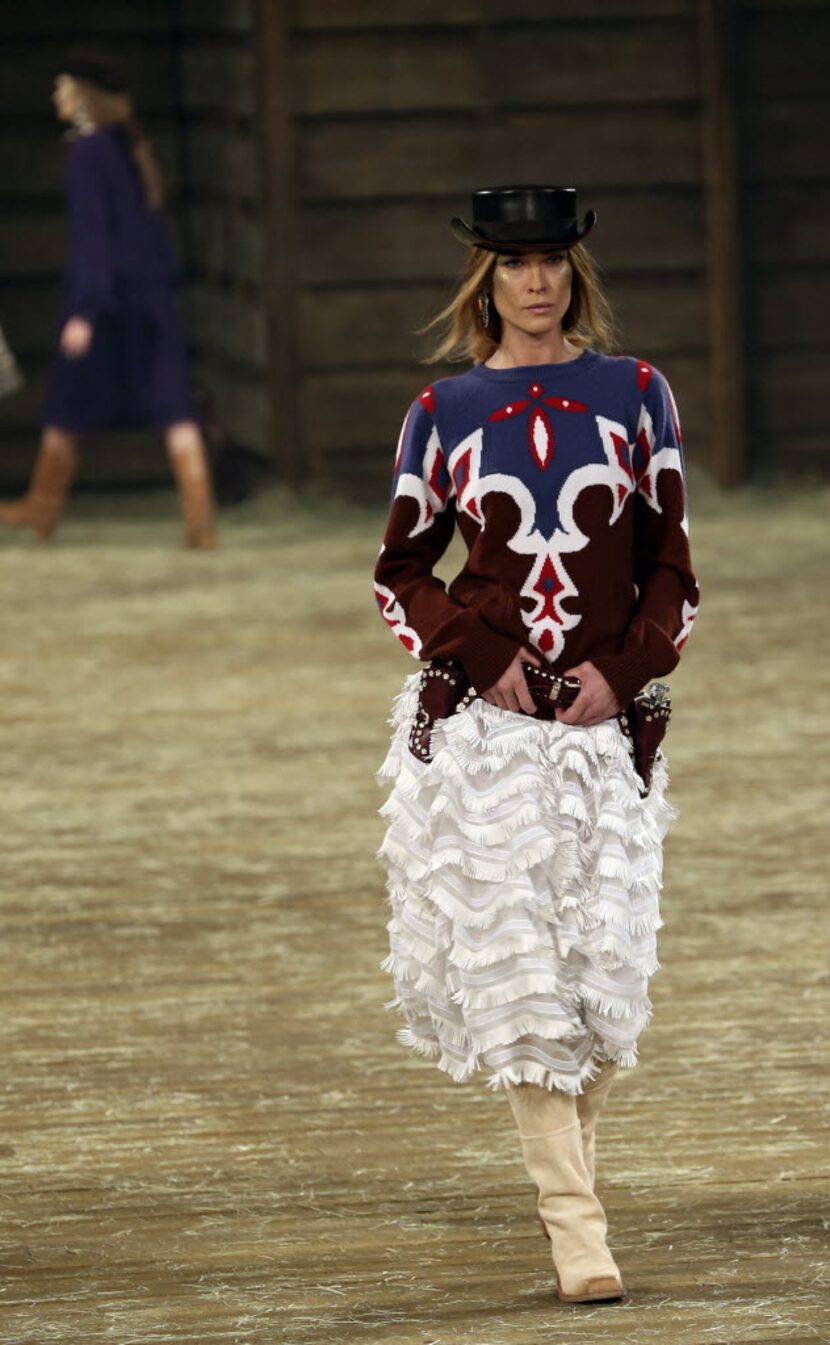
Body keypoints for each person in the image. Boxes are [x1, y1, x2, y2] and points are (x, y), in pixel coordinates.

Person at [373, 186, 700, 1304]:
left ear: (572, 272)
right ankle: (578, 1233)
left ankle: (577, 1204)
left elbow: (672, 564)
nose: (535, 278)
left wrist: (626, 667)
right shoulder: (443, 409)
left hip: (607, 730)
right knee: (518, 982)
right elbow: (400, 573)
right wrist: (479, 657)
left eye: (551, 257)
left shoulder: (636, 395)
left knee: (599, 984)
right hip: (490, 734)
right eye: (514, 260)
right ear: (485, 277)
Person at [0, 50, 216, 548]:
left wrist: (86, 310)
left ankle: (41, 508)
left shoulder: (89, 153)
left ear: (81, 97)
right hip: (149, 300)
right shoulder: (125, 148)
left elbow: (95, 240)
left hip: (106, 303)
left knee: (67, 401)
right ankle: (200, 522)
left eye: (62, 87)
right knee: (173, 407)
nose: (55, 97)